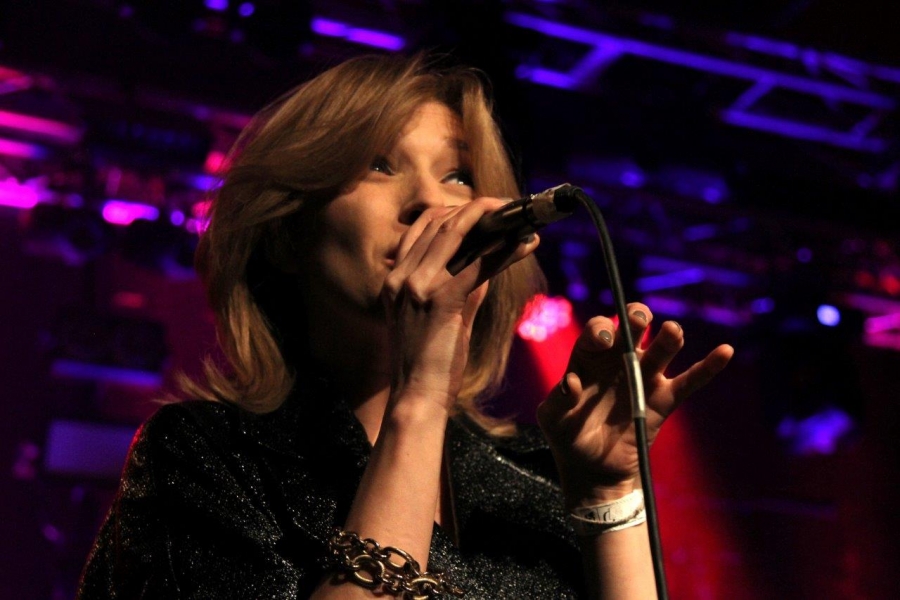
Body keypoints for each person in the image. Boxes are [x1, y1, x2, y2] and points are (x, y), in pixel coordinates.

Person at [77, 54, 733, 599]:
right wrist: (420, 395)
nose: (430, 202)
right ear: (286, 237)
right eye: (378, 165)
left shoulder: (536, 476)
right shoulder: (208, 457)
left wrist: (608, 496)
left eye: (458, 175)